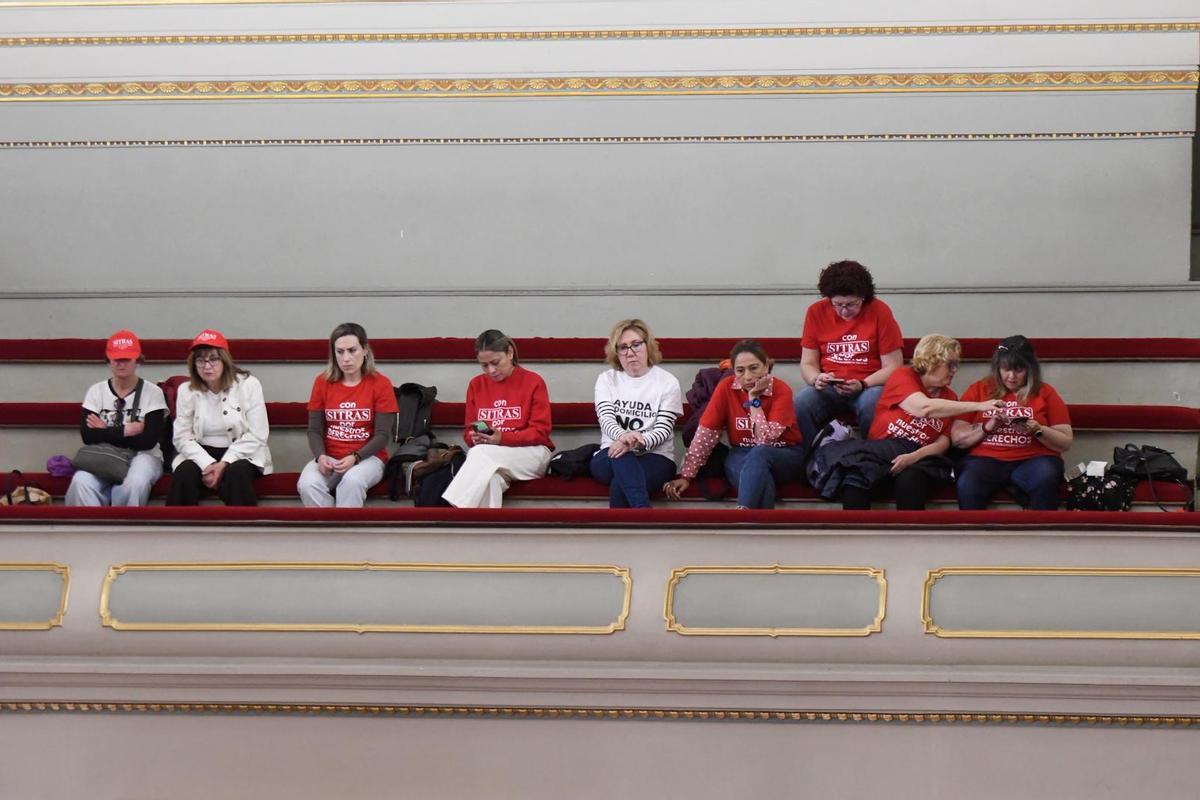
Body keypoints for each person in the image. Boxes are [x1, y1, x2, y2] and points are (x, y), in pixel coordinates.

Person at [811, 334, 1004, 510]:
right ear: (931, 362)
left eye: (956, 365)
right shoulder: (903, 376)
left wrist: (914, 456)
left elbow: (943, 442)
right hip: (882, 453)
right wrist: (979, 406)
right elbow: (923, 408)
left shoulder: (950, 398)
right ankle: (854, 541)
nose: (954, 370)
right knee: (856, 475)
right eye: (950, 364)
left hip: (918, 460)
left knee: (911, 477)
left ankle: (910, 545)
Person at [663, 339, 804, 509]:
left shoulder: (781, 390)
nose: (748, 376)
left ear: (766, 366)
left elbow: (765, 441)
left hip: (783, 454)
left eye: (754, 368)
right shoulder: (726, 388)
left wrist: (754, 400)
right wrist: (686, 476)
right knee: (761, 481)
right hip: (742, 453)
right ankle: (760, 530)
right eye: (740, 370)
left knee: (760, 453)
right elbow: (705, 435)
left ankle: (742, 515)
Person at [951, 335, 1073, 510]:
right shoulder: (979, 389)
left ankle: (1042, 534)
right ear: (997, 368)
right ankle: (972, 535)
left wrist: (1038, 430)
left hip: (1034, 459)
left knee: (1046, 477)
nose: (1011, 376)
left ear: (1030, 369)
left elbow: (1065, 441)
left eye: (1019, 370)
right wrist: (988, 426)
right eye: (1005, 369)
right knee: (968, 482)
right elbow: (957, 438)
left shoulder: (1045, 392)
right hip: (986, 459)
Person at [793, 260, 904, 452]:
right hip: (830, 385)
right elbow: (808, 363)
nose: (844, 311)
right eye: (837, 304)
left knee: (873, 403)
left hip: (869, 385)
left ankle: (873, 459)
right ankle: (807, 461)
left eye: (851, 304)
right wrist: (815, 378)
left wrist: (863, 384)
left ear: (863, 297)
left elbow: (894, 366)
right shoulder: (816, 312)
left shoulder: (880, 311)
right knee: (802, 401)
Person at [441, 330, 553, 508]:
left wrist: (502, 438)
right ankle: (487, 533)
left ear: (510, 353)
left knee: (479, 454)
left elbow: (540, 432)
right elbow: (469, 430)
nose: (491, 370)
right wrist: (476, 437)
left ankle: (453, 511)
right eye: (484, 366)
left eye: (495, 363)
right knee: (489, 480)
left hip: (531, 454)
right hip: (490, 455)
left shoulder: (533, 381)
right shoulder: (476, 385)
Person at [167, 329, 272, 506]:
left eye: (213, 359)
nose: (207, 366)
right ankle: (176, 532)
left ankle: (244, 531)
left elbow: (258, 434)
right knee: (184, 473)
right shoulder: (186, 390)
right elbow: (181, 436)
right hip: (201, 450)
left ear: (225, 360)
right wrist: (206, 464)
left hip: (243, 451)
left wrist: (224, 463)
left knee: (236, 473)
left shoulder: (248, 384)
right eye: (200, 360)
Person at [297, 323, 398, 508]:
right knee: (307, 484)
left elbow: (382, 436)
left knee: (352, 482)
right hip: (330, 456)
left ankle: (346, 536)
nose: (346, 358)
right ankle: (329, 534)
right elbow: (314, 430)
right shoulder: (322, 382)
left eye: (352, 350)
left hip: (368, 458)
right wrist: (320, 457)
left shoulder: (381, 384)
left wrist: (355, 457)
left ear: (365, 350)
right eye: (340, 352)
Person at [65, 330, 168, 507]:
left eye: (127, 359)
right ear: (108, 361)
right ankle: (91, 532)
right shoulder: (96, 391)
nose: (121, 364)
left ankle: (125, 532)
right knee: (81, 482)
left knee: (135, 482)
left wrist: (104, 430)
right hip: (104, 454)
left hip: (144, 456)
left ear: (138, 361)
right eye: (116, 359)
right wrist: (127, 430)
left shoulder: (153, 392)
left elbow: (148, 441)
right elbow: (88, 436)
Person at [590, 319, 683, 508]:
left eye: (636, 345)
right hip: (610, 453)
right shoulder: (607, 379)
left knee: (620, 484)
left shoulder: (667, 382)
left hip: (656, 457)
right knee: (622, 457)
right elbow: (605, 419)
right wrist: (624, 438)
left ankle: (621, 532)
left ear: (647, 345)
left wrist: (637, 442)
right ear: (616, 352)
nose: (630, 353)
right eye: (622, 347)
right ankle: (644, 513)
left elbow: (664, 429)